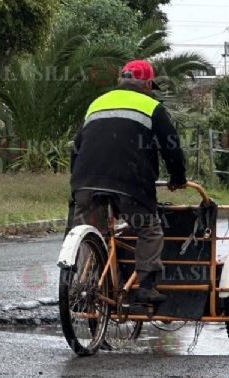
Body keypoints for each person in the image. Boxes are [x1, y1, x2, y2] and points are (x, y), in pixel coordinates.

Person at [69, 59, 187, 304]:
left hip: (85, 182)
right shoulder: (152, 106)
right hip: (130, 184)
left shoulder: (97, 104)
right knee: (149, 230)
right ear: (146, 83)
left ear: (120, 81)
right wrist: (178, 178)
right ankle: (146, 287)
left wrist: (77, 184)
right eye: (150, 86)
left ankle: (82, 282)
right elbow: (171, 147)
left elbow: (77, 147)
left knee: (91, 231)